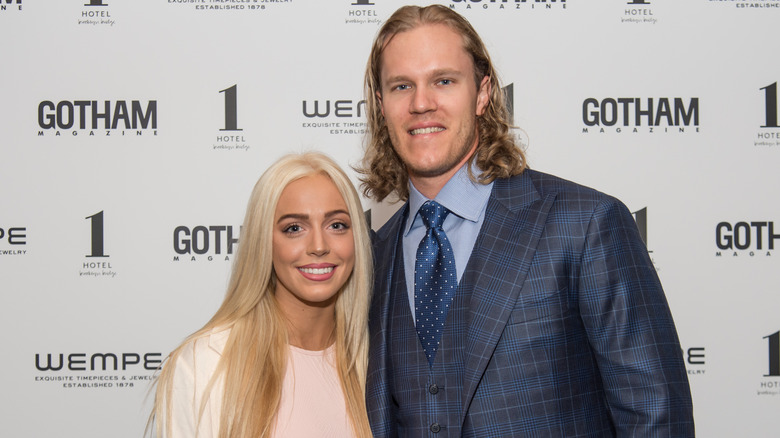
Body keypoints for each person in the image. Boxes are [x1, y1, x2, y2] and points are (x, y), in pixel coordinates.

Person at [359, 5, 694, 437]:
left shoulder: (584, 224)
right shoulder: (373, 256)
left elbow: (656, 414)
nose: (422, 103)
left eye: (444, 80)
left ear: (482, 93)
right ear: (382, 105)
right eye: (402, 85)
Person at [149, 152, 373, 437]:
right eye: (294, 228)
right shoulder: (208, 362)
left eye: (337, 225)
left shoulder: (371, 364)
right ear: (263, 241)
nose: (319, 245)